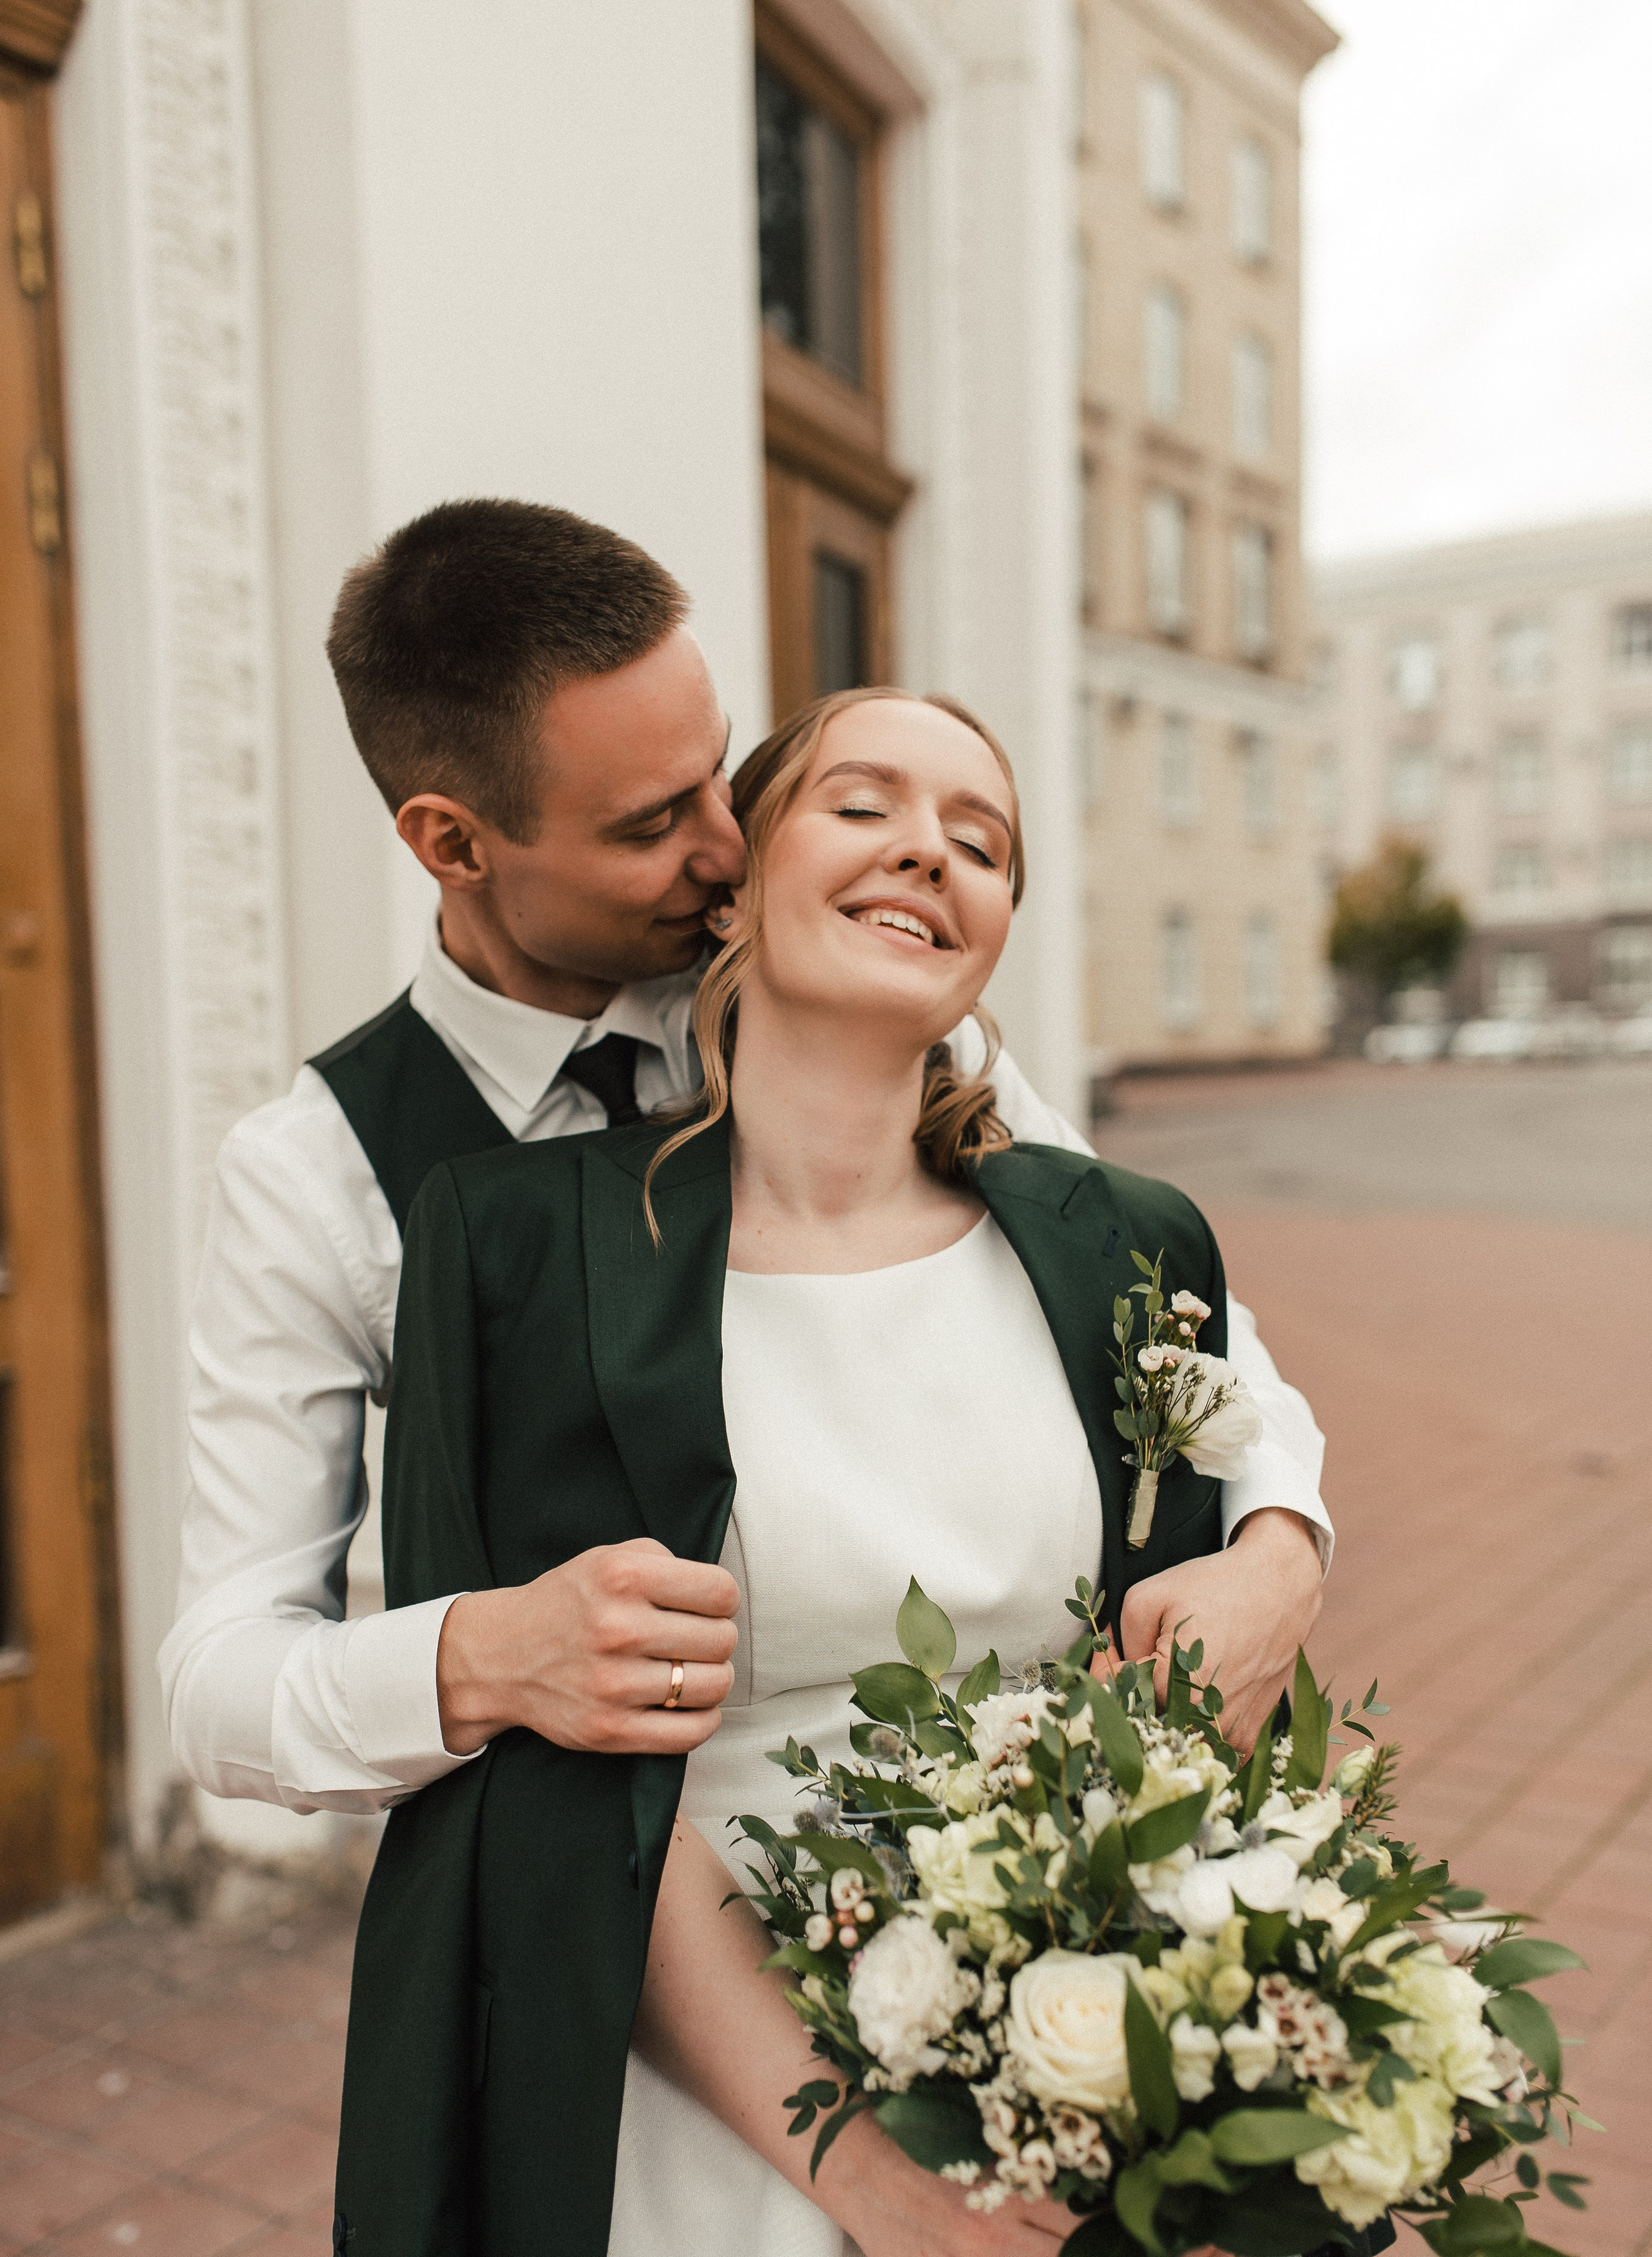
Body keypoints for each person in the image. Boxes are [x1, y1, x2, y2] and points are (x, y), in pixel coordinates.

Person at [321, 687, 1366, 2257]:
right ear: (731, 884)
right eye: (863, 805)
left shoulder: (1118, 1235)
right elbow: (553, 1789)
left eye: (981, 838)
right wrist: (871, 2183)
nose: (927, 852)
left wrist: (1216, 2136)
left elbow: (1196, 1716)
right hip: (708, 2120)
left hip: (1078, 2114)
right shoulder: (519, 1247)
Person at [162, 501, 1329, 1816]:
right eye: (650, 824)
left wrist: (1278, 1544)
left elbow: (1180, 1332)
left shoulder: (848, 993)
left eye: (718, 773)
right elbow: (217, 1685)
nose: (726, 845)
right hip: (604, 1916)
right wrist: (481, 1660)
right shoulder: (316, 1177)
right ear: (454, 843)